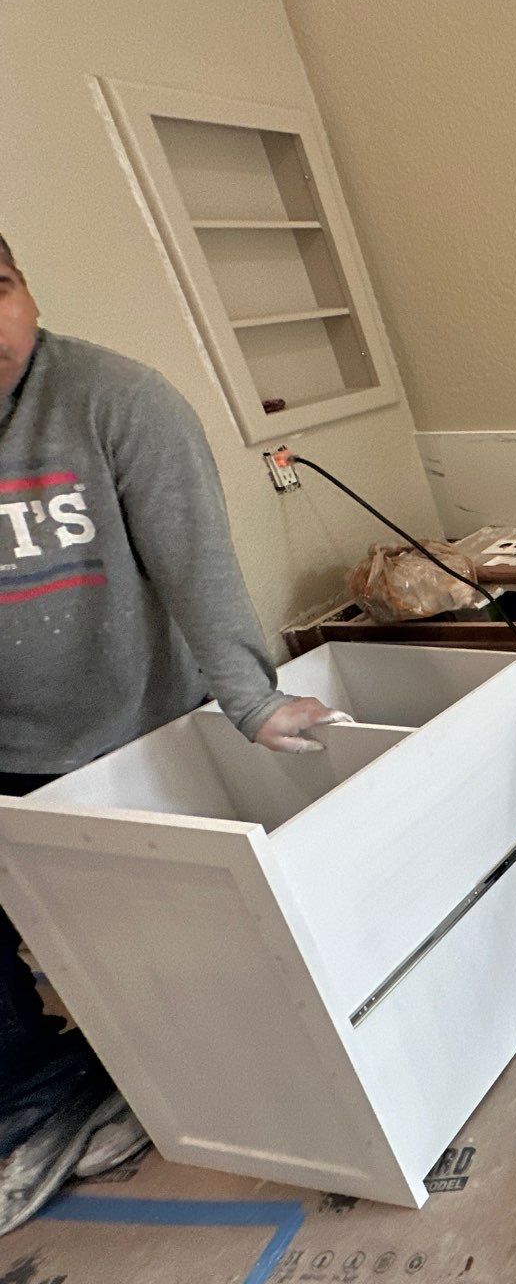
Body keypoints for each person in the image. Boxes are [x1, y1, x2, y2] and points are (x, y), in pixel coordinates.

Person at [0, 228, 347, 1231]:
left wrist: (254, 701)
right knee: (62, 951)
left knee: (163, 943)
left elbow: (198, 568)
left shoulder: (117, 403)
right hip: (10, 758)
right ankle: (44, 1094)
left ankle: (184, 1074)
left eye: (2, 288)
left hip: (133, 733)